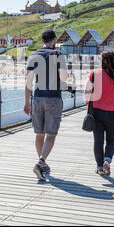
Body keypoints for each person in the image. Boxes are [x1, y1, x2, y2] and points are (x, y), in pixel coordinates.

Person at [24, 30, 68, 181]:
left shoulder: (33, 55)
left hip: (37, 98)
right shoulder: (58, 54)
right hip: (53, 98)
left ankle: (42, 164)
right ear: (54, 39)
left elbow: (28, 82)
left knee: (39, 134)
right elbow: (63, 78)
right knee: (50, 135)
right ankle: (41, 162)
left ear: (42, 40)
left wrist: (26, 102)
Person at [84, 51, 114, 176]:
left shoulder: (94, 74)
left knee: (98, 140)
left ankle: (99, 168)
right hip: (113, 112)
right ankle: (107, 161)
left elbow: (87, 92)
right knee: (111, 139)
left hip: (97, 111)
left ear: (101, 61)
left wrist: (89, 104)